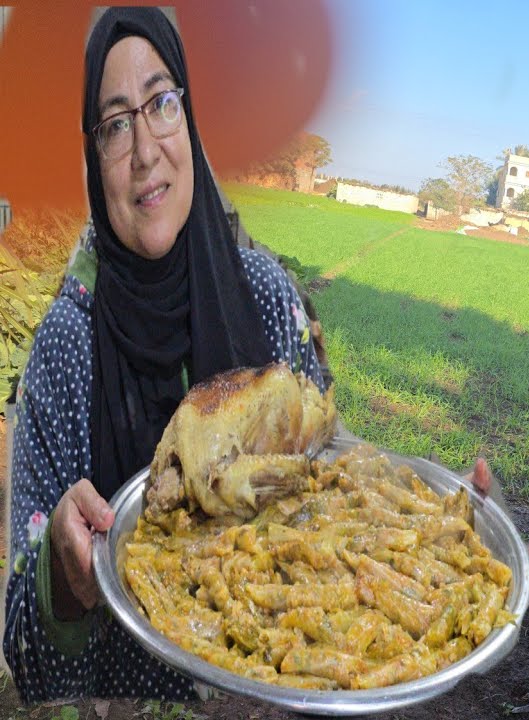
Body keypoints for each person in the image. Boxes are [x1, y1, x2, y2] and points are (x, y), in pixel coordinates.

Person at [3, 8, 325, 701]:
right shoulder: (66, 349)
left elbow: (324, 485)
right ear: (94, 159)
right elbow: (25, 657)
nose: (145, 150)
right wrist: (61, 577)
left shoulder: (267, 299)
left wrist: (433, 532)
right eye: (115, 124)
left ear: (190, 119)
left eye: (161, 103)